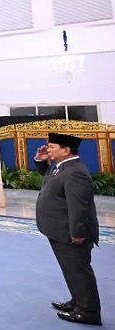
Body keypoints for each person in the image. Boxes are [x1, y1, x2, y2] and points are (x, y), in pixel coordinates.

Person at [34, 133, 101, 326]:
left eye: (52, 146)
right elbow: (50, 179)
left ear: (66, 150)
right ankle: (78, 301)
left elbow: (79, 207)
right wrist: (42, 161)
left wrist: (77, 234)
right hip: (60, 230)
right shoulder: (62, 166)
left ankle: (88, 312)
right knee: (71, 270)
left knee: (78, 271)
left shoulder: (76, 172)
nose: (48, 149)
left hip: (70, 233)